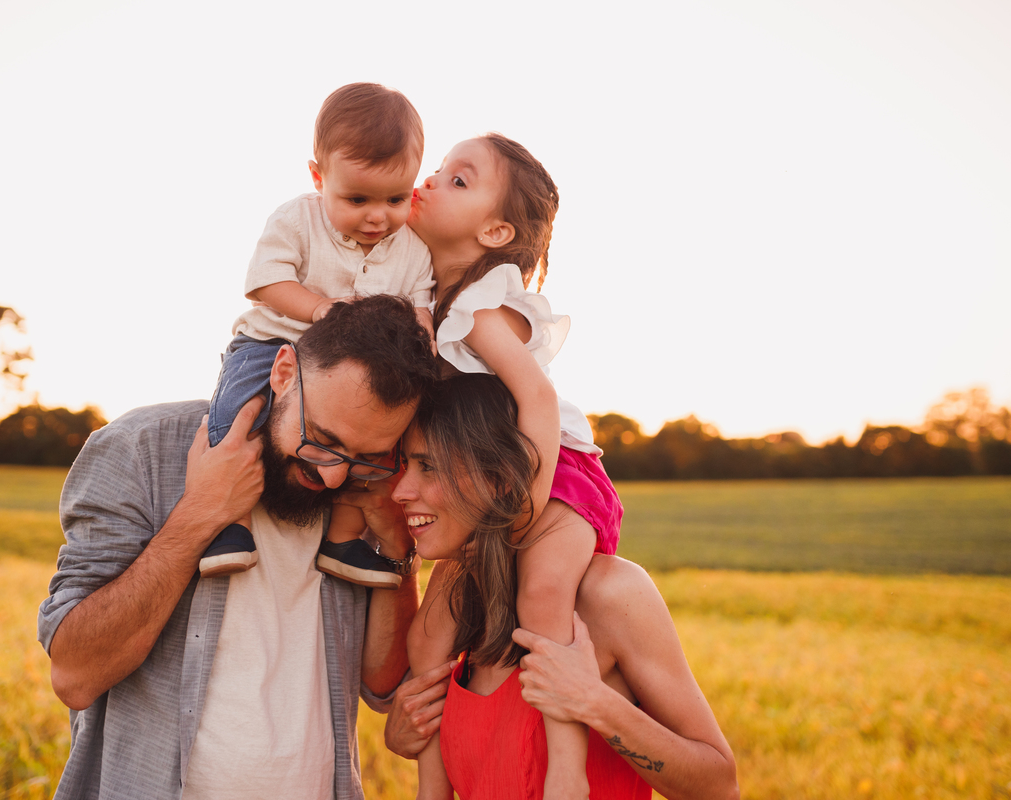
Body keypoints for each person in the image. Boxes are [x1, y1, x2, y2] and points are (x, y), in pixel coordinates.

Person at [37, 296, 437, 800]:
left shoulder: (368, 489)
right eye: (323, 438)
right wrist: (200, 513)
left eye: (367, 454)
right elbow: (75, 674)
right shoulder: (139, 449)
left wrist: (398, 554)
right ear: (284, 371)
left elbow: (382, 687)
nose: (333, 473)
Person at [388, 374, 739, 800]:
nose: (401, 491)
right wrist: (407, 728)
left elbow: (719, 787)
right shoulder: (451, 594)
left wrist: (596, 704)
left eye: (429, 466)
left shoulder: (609, 593)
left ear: (499, 477)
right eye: (405, 465)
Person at [404, 133, 622, 799]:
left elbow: (537, 396)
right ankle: (433, 780)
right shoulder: (424, 291)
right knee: (432, 634)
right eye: (439, 170)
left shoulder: (477, 308)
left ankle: (565, 772)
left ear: (497, 230)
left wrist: (527, 501)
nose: (435, 179)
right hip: (492, 481)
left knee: (544, 595)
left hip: (556, 473)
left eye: (460, 180)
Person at [201, 82, 436, 590]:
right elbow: (264, 282)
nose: (378, 216)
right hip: (272, 341)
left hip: (354, 379)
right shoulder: (298, 219)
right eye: (357, 199)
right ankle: (227, 521)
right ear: (318, 176)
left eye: (396, 199)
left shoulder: (412, 247)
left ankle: (344, 539)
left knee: (374, 453)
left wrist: (425, 353)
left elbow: (421, 308)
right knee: (239, 408)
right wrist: (318, 307)